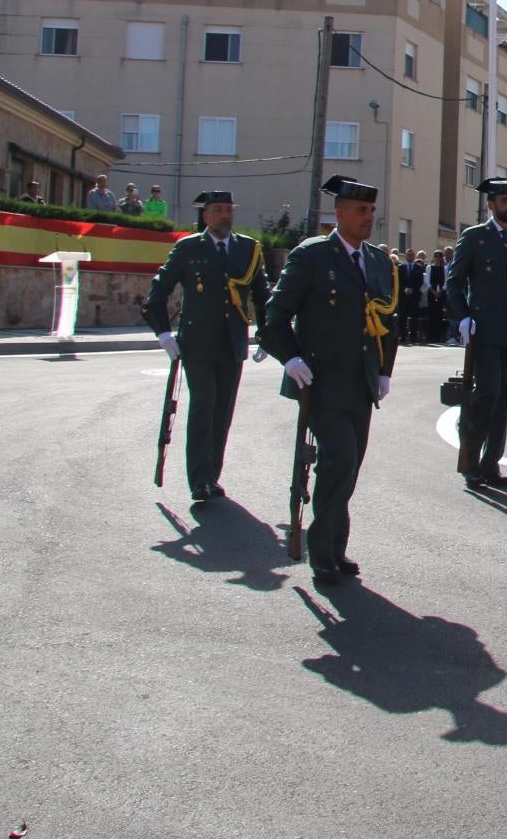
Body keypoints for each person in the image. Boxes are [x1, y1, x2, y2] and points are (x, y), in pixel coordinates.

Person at [259, 175, 398, 585]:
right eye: (360, 210)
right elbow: (274, 316)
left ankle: (336, 547)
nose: (368, 217)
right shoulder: (313, 256)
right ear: (338, 214)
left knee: (351, 467)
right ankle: (322, 553)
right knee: (337, 460)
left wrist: (385, 369)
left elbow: (388, 320)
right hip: (320, 379)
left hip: (361, 381)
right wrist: (291, 358)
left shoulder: (376, 261)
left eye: (372, 211)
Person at [142, 190, 271, 506]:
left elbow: (262, 294)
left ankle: (212, 475)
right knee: (203, 406)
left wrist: (267, 335)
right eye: (218, 210)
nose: (225, 215)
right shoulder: (189, 248)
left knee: (222, 410)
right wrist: (164, 335)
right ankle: (199, 479)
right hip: (198, 343)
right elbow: (157, 292)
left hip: (232, 342)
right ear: (205, 215)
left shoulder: (248, 249)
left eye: (228, 209)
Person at [446, 177, 507, 489]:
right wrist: (462, 318)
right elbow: (454, 281)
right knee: (486, 394)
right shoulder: (475, 237)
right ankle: (471, 463)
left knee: (503, 399)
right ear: (490, 205)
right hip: (484, 329)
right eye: (504, 201)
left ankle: (491, 464)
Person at [398, 249, 426, 344]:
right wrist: (404, 288)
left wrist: (412, 289)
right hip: (403, 296)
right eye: (408, 255)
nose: (410, 256)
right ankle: (402, 337)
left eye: (411, 255)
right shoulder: (400, 267)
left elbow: (420, 281)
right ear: (405, 256)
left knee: (414, 318)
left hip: (414, 296)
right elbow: (398, 281)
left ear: (414, 256)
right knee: (402, 318)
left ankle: (413, 337)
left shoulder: (419, 268)